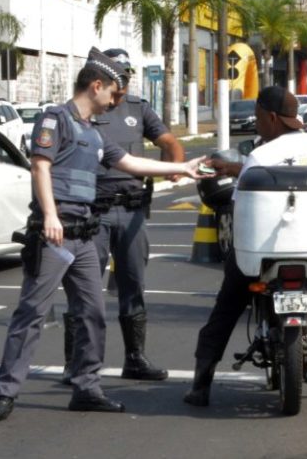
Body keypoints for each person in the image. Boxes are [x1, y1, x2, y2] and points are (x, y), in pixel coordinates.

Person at [0, 48, 206, 420]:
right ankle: (5, 393)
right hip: (55, 234)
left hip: (85, 236)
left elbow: (131, 163)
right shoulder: (56, 120)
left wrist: (183, 166)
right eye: (112, 93)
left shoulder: (94, 133)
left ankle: (87, 387)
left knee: (92, 313)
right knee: (31, 314)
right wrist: (51, 215)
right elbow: (40, 167)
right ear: (96, 85)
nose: (114, 101)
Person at [183, 86, 307, 407]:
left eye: (257, 117)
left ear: (270, 117)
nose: (256, 124)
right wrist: (241, 169)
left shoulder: (259, 155)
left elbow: (244, 199)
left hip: (265, 253)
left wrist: (238, 171)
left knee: (225, 309)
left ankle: (201, 384)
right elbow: (287, 170)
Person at [73, 48, 184, 383]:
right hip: (96, 211)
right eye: (117, 80)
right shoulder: (87, 108)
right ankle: (74, 362)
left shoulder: (139, 108)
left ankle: (135, 358)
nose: (120, 91)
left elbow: (168, 140)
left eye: (125, 80)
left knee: (133, 285)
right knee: (86, 289)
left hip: (132, 210)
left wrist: (176, 164)